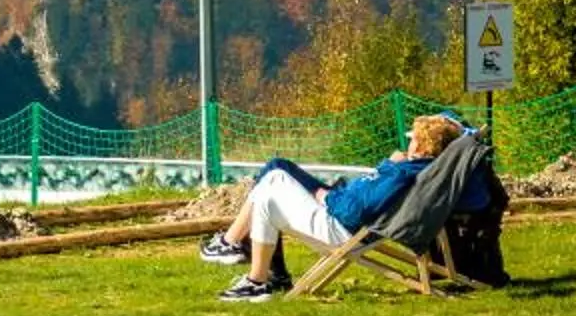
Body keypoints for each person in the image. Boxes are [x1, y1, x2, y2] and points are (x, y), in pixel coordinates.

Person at [198, 112, 464, 302]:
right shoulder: (417, 170)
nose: (409, 142)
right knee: (273, 180)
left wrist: (327, 196)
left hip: (340, 227)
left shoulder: (401, 173)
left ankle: (253, 275)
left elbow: (354, 210)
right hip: (350, 223)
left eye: (413, 138)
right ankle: (256, 274)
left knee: (272, 181)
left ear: (421, 144)